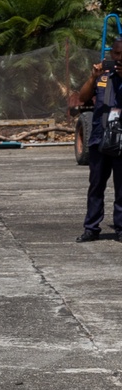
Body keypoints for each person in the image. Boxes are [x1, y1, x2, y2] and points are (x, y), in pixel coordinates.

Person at [76, 37, 122, 242]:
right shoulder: (103, 75)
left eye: (121, 55)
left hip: (121, 142)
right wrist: (92, 77)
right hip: (99, 139)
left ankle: (121, 228)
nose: (117, 58)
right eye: (115, 53)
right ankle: (91, 228)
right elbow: (83, 97)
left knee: (121, 188)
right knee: (96, 186)